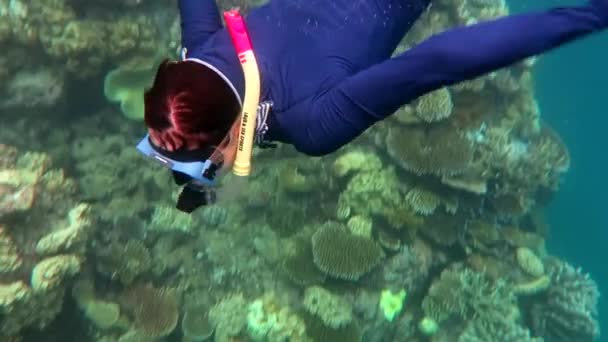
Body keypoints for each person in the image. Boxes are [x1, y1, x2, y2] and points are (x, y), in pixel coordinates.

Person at [138, 0, 608, 212]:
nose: (205, 171)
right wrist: (194, 186)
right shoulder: (199, 52)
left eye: (204, 166)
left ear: (227, 139)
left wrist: (591, 14)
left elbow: (438, 60)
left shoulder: (311, 123)